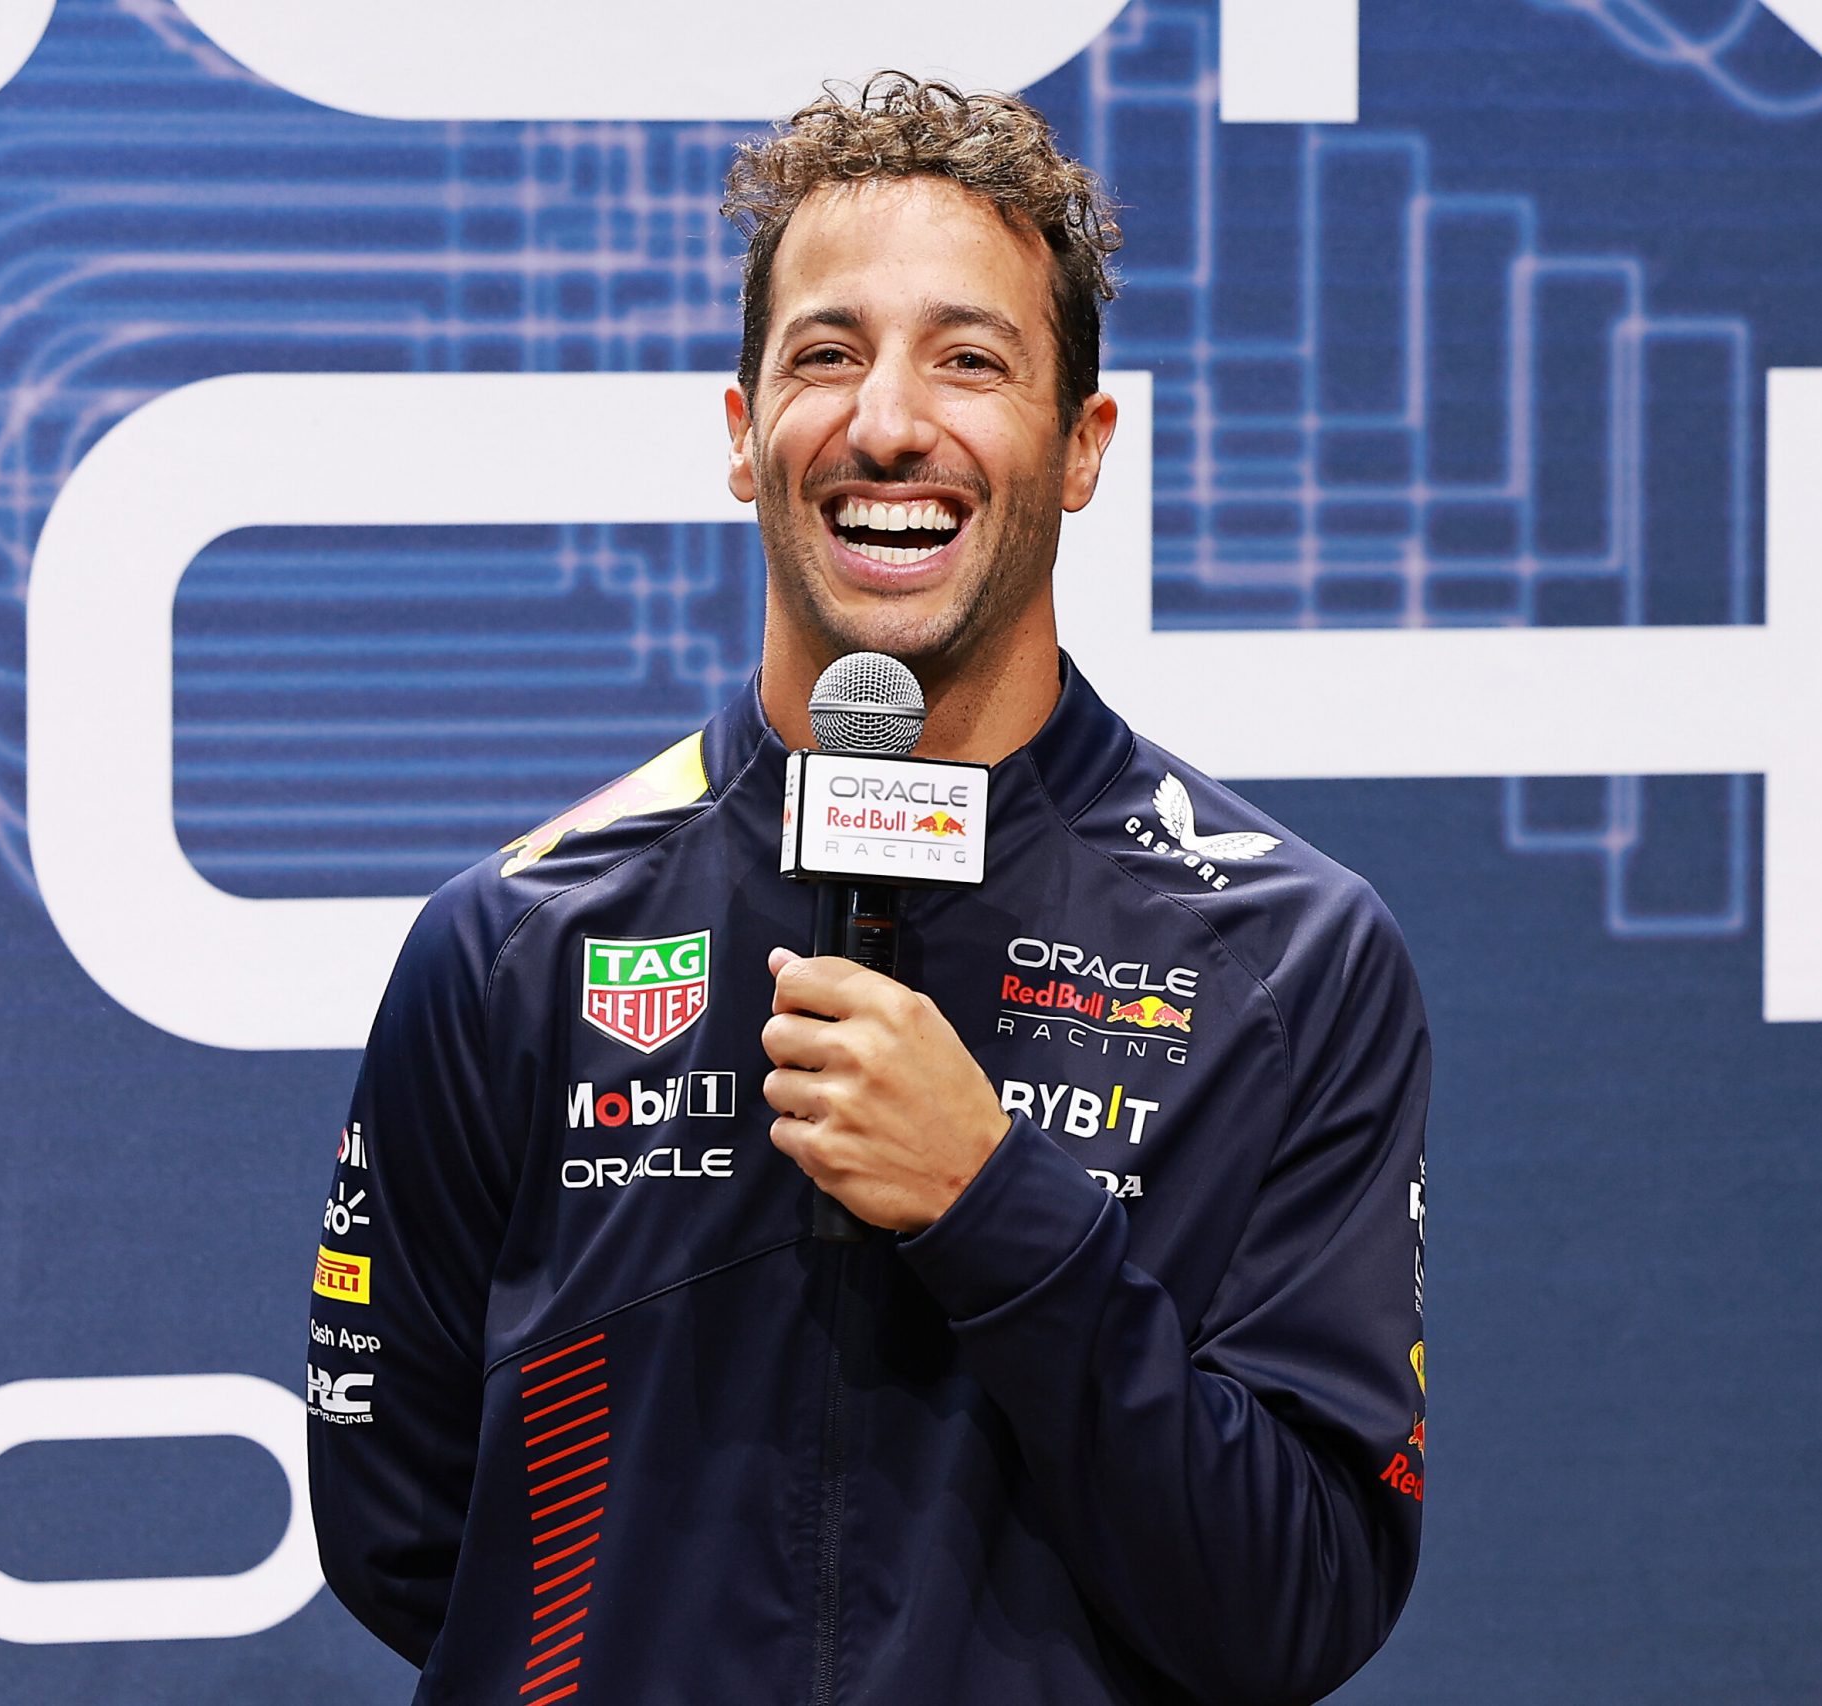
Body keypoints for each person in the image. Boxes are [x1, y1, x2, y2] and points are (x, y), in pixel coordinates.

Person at [307, 73, 1430, 1706]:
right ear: (743, 434)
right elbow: (405, 1533)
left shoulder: (1292, 958)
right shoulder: (515, 945)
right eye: (827, 353)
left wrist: (998, 1207)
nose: (889, 420)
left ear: (1083, 446)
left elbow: (1301, 1595)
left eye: (972, 359)